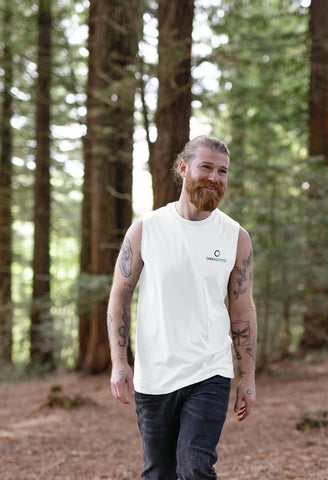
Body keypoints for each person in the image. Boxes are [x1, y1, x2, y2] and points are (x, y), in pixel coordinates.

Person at [107, 135, 257, 480]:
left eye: (222, 171)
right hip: (154, 374)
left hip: (210, 370)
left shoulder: (236, 237)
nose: (215, 178)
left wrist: (247, 377)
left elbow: (242, 309)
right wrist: (119, 361)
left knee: (195, 467)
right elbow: (120, 296)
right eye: (207, 167)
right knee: (159, 472)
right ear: (184, 168)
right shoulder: (146, 229)